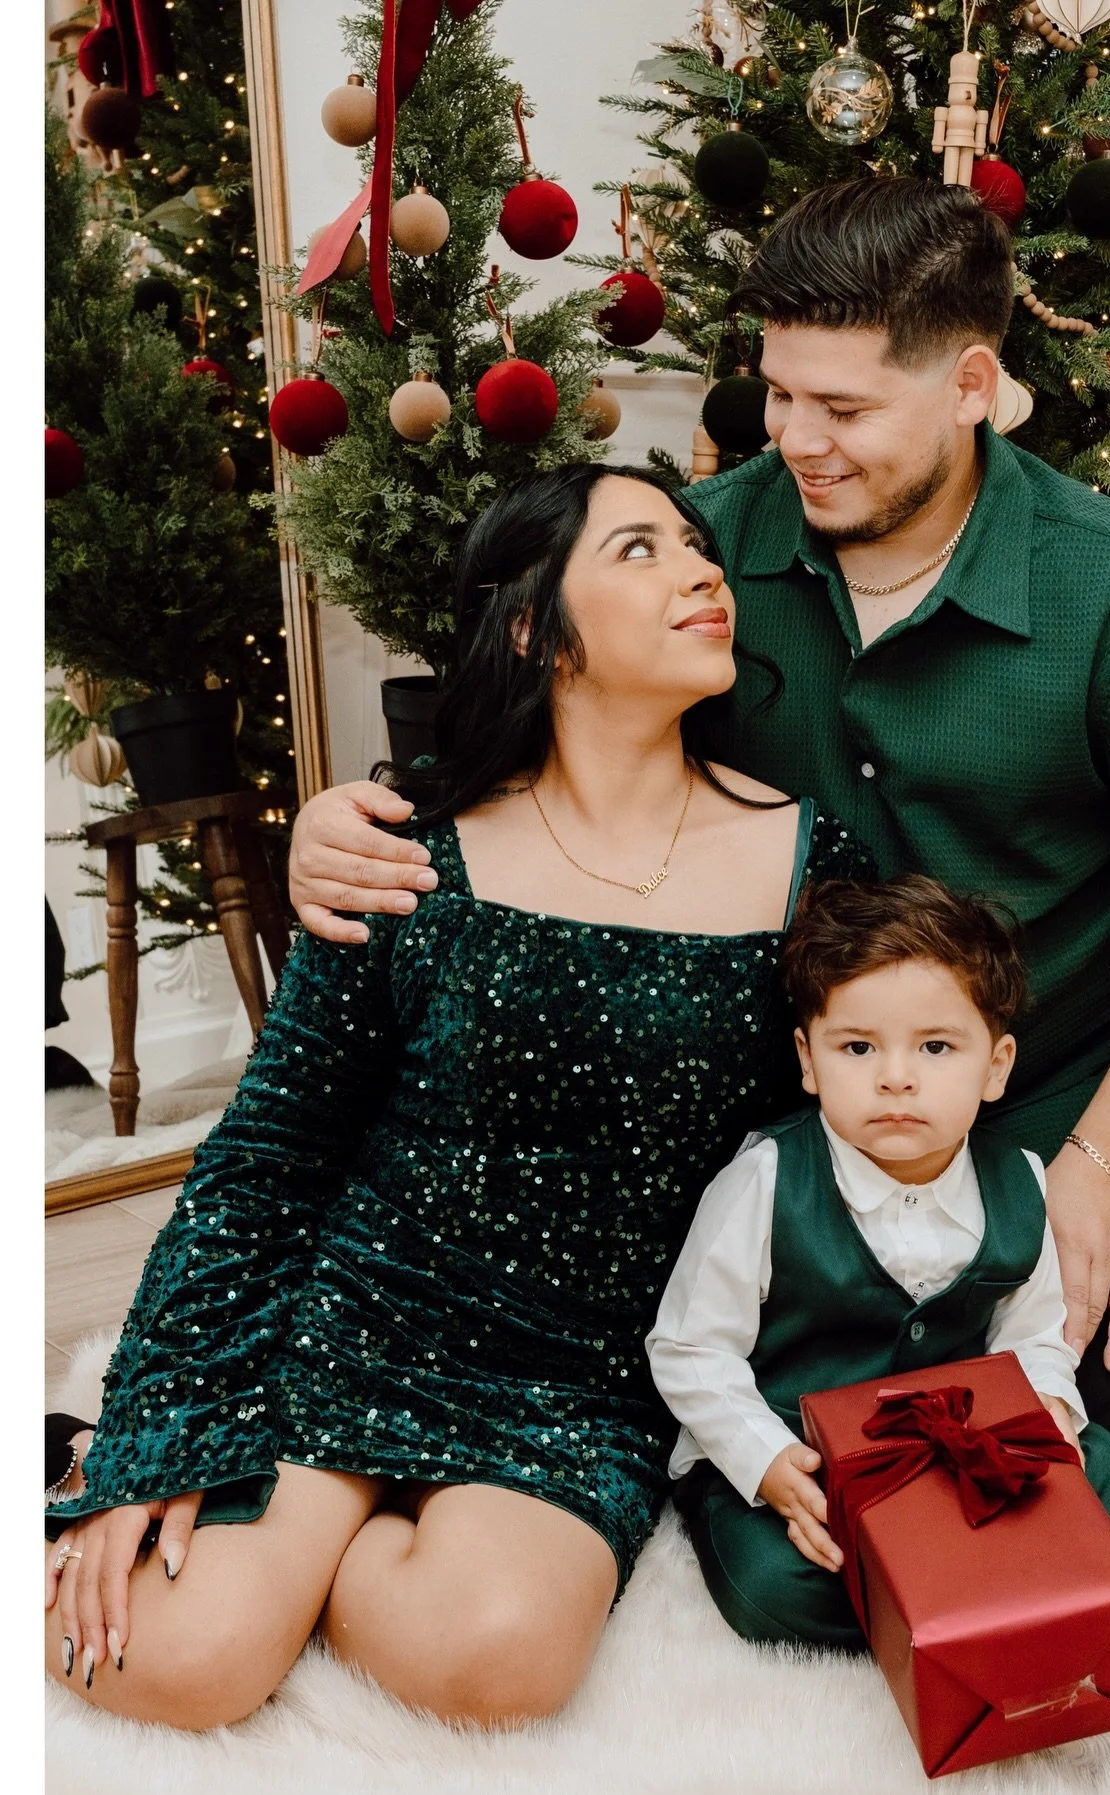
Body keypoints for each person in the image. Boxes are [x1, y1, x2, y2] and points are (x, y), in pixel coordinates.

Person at [286, 178, 1110, 1504]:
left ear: (973, 382)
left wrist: (1102, 1161)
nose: (797, 438)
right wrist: (348, 820)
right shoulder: (708, 554)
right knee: (728, 1417)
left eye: (846, 408)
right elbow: (548, 729)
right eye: (780, 392)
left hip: (1044, 1109)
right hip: (777, 1112)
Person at [43, 464, 872, 1729]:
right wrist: (159, 1419)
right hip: (352, 1315)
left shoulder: (815, 860)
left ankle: (293, 1553)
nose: (705, 572)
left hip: (578, 1371)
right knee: (165, 1657)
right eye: (642, 550)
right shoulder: (403, 851)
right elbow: (269, 1151)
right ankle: (190, 1502)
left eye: (701, 548)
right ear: (536, 625)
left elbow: (846, 1127)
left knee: (494, 1664)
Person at [645, 874, 1110, 1651]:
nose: (896, 1076)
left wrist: (1049, 1418)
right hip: (799, 1459)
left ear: (997, 1065)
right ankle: (969, 1592)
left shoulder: (1021, 1186)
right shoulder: (765, 1184)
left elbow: (1034, 1335)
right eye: (858, 1046)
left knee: (1101, 1465)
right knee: (774, 1583)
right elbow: (690, 1347)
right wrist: (768, 1462)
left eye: (936, 1047)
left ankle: (971, 1580)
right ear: (808, 1059)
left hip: (938, 1459)